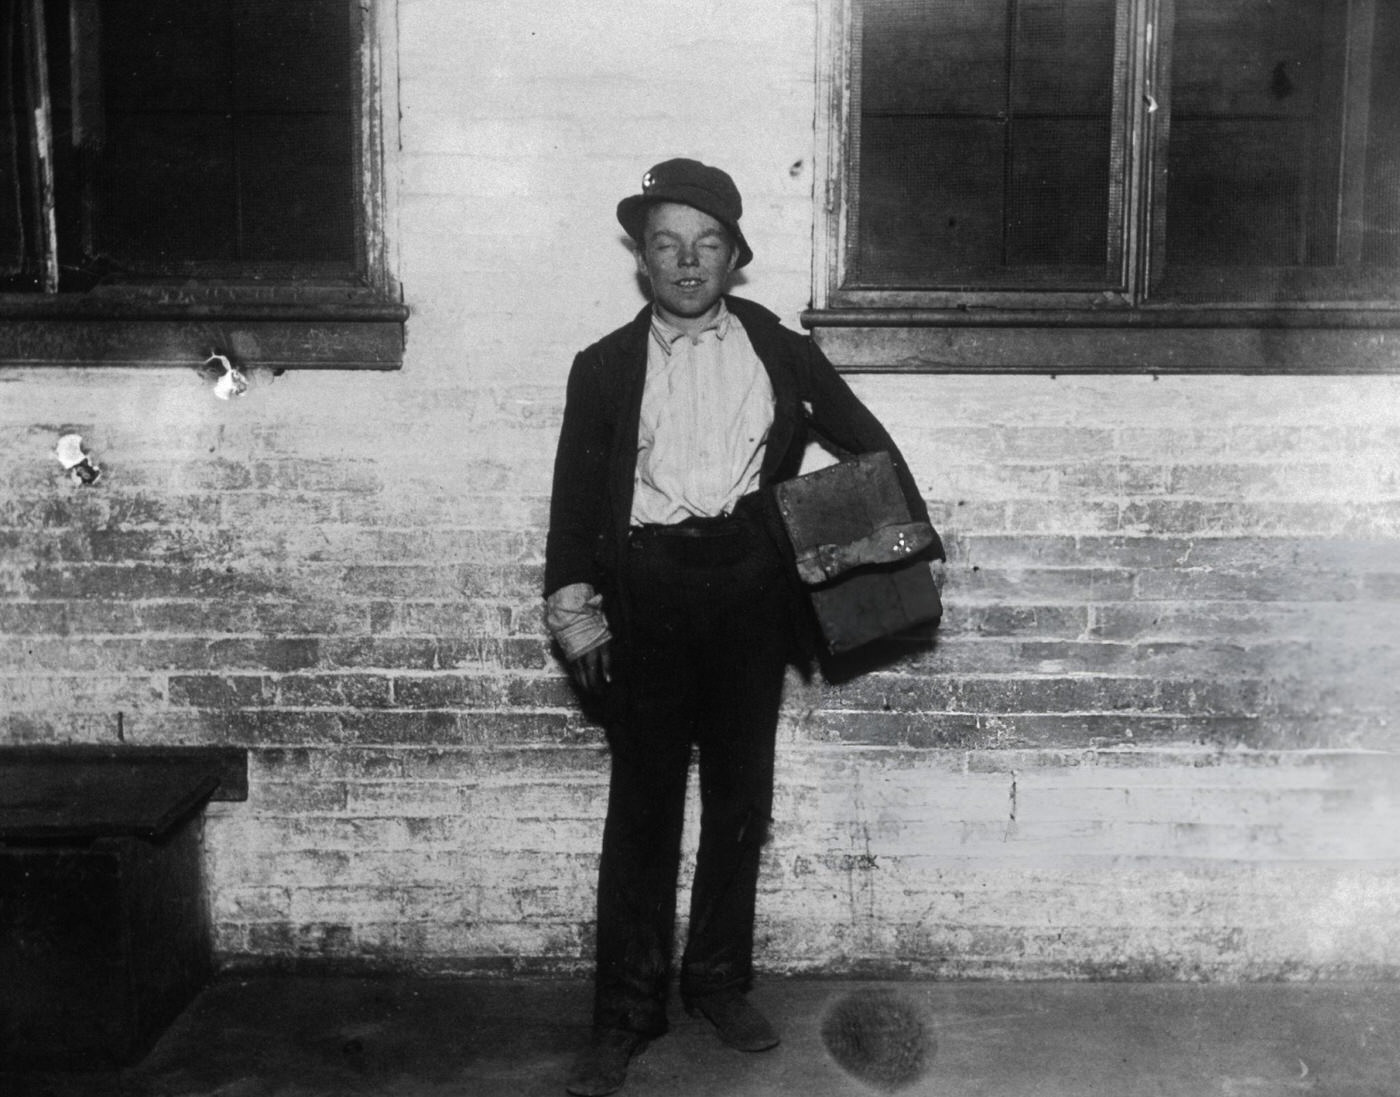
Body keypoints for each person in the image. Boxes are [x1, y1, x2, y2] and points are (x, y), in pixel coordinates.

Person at [544, 158, 942, 1097]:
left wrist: (875, 542)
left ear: (734, 256)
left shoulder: (779, 348)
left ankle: (719, 980)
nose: (687, 262)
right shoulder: (602, 366)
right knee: (642, 808)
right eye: (667, 245)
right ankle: (625, 1012)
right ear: (644, 260)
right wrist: (575, 613)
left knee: (738, 799)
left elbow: (868, 442)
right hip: (646, 594)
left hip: (749, 595)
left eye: (707, 243)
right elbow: (574, 499)